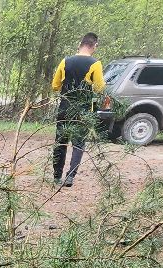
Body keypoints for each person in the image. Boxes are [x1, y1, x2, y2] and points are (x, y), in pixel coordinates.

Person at [50, 33, 106, 188]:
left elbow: (55, 86)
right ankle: (70, 177)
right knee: (78, 144)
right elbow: (99, 89)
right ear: (94, 46)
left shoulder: (65, 61)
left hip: (64, 108)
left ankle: (56, 177)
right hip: (82, 111)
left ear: (80, 44)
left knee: (60, 142)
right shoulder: (95, 64)